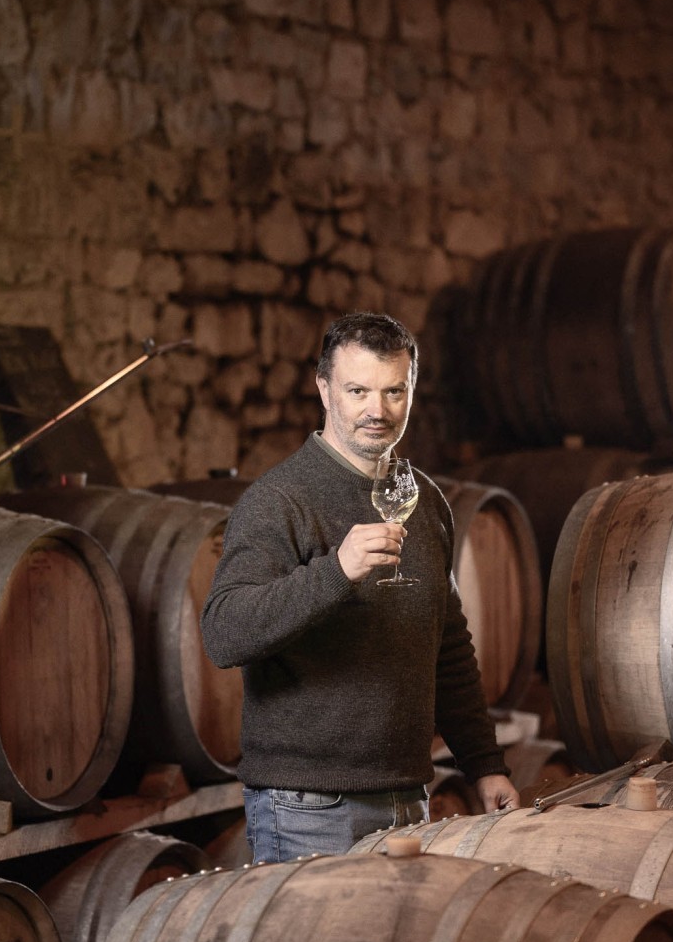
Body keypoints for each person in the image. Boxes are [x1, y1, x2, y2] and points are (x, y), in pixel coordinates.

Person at [200, 310, 519, 861]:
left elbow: (446, 646)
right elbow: (226, 632)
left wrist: (484, 765)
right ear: (324, 389)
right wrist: (336, 571)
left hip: (406, 798)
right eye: (358, 390)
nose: (378, 410)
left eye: (395, 391)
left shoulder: (424, 501)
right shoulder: (280, 501)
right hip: (307, 809)